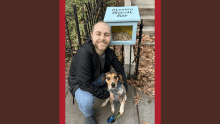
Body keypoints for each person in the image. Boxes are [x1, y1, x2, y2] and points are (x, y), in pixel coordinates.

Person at [68, 21, 128, 124]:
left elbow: (120, 70)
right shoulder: (84, 54)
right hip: (80, 83)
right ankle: (88, 115)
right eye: (98, 34)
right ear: (91, 35)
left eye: (106, 34)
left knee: (118, 75)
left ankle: (101, 87)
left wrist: (125, 88)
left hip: (97, 77)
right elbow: (84, 84)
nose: (102, 38)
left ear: (110, 37)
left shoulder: (109, 53)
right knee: (86, 100)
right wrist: (107, 94)